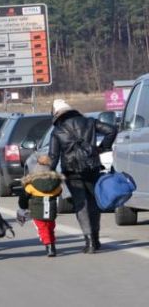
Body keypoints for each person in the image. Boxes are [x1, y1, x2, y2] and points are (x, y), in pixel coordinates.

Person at [48, 99, 117, 253]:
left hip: (72, 172)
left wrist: (48, 175)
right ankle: (96, 239)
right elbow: (112, 130)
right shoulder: (89, 122)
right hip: (92, 168)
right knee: (94, 202)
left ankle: (89, 242)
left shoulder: (57, 131)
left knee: (81, 204)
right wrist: (102, 148)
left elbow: (53, 156)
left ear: (56, 114)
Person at [18, 155, 64, 257]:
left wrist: (23, 207)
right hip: (51, 209)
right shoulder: (55, 183)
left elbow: (23, 197)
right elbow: (59, 192)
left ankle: (49, 246)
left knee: (42, 228)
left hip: (37, 210)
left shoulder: (31, 184)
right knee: (50, 227)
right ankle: (52, 245)